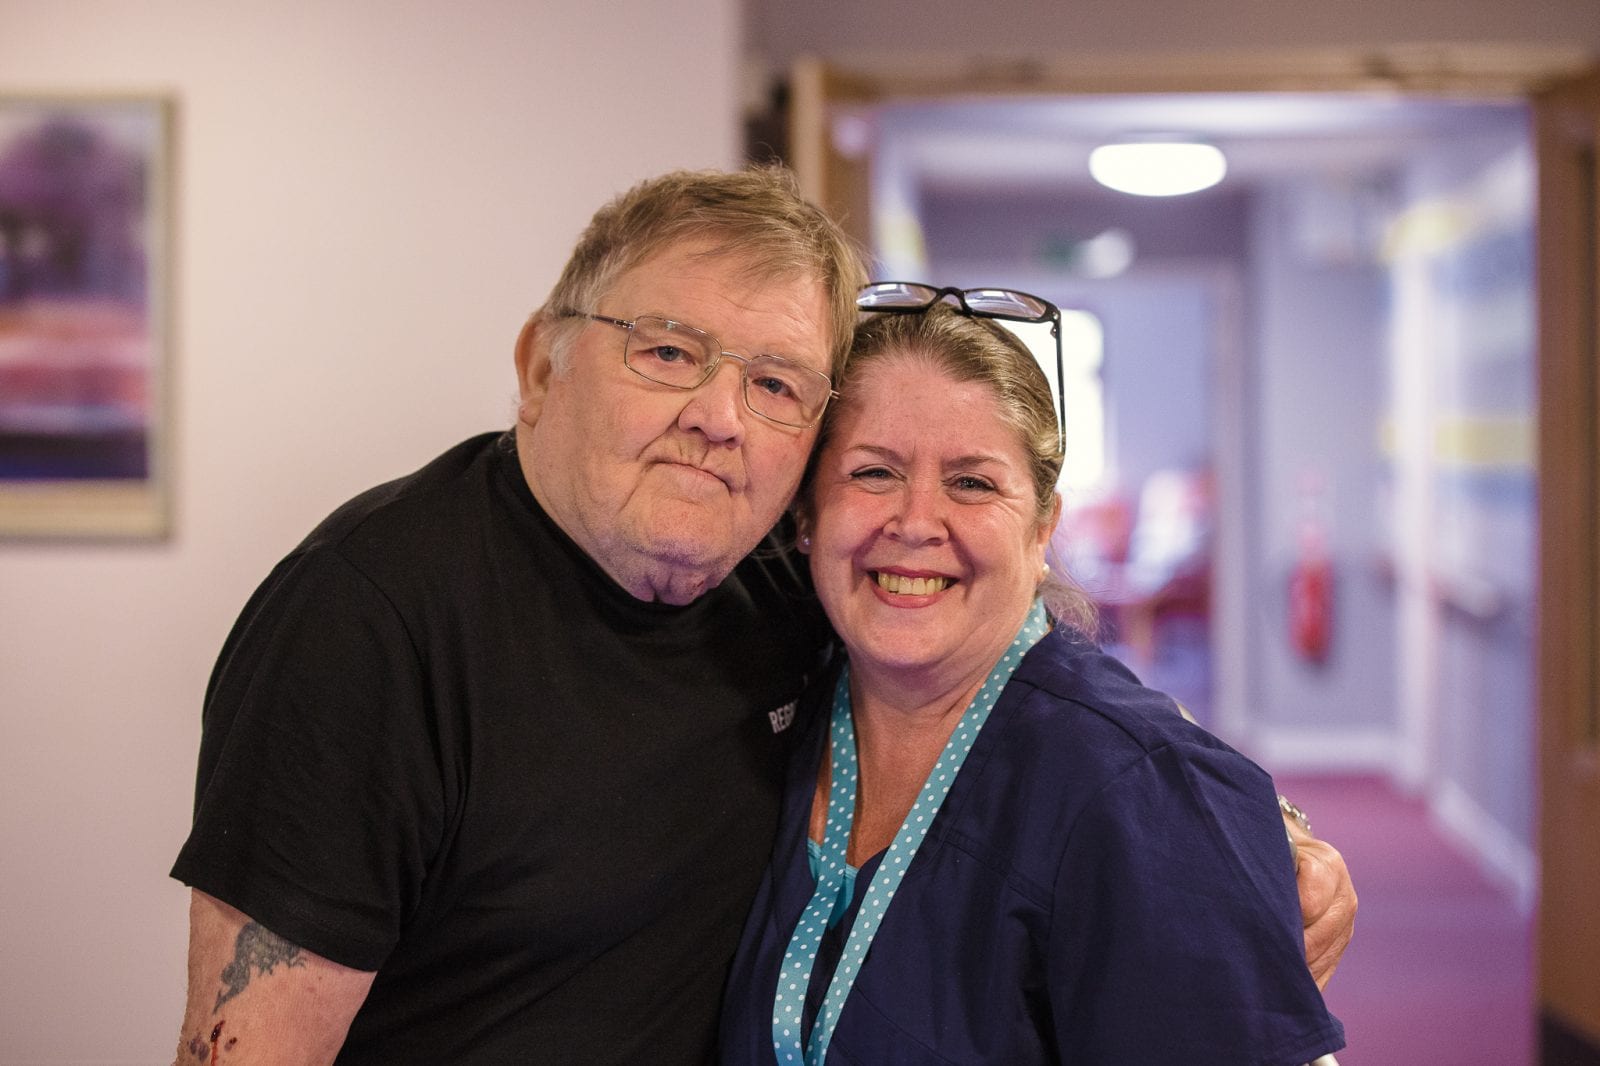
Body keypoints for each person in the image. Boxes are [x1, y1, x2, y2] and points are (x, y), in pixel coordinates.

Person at [169, 168, 1353, 1065]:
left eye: (776, 384)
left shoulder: (777, 585)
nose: (720, 417)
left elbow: (1062, 700)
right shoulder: (370, 622)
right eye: (670, 350)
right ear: (541, 366)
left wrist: (1259, 833)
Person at [719, 295, 1347, 1064]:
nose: (916, 522)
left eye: (973, 483)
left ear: (1043, 526)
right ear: (809, 512)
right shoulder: (778, 709)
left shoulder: (1135, 795)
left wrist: (1250, 821)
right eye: (873, 472)